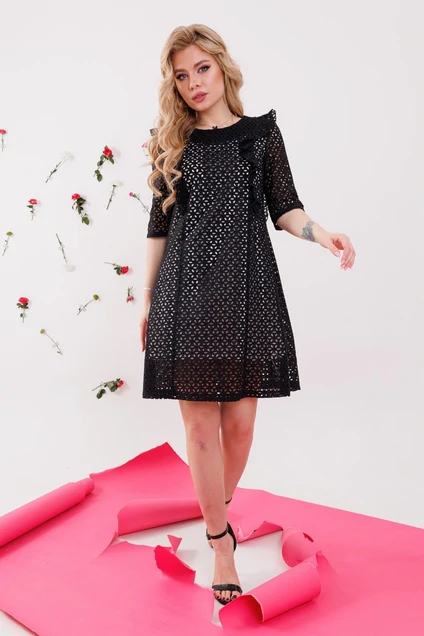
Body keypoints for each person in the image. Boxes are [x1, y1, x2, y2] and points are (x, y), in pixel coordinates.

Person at [140, 24, 356, 606]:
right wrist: (147, 299)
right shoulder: (170, 143)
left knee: (239, 427)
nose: (193, 83)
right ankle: (220, 544)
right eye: (181, 76)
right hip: (185, 294)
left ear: (221, 66)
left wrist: (322, 234)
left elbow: (285, 207)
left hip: (246, 292)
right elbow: (159, 227)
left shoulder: (261, 135)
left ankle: (216, 510)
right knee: (199, 428)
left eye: (201, 69)